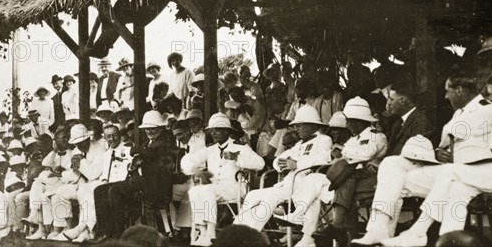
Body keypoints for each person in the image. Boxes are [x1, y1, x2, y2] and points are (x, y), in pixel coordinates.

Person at [380, 71, 492, 246]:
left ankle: (418, 232)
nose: (491, 100)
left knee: (450, 171)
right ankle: (448, 240)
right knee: (457, 188)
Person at [352, 72, 492, 245]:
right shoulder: (459, 113)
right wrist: (436, 152)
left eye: (448, 91)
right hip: (446, 171)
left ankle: (412, 235)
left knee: (400, 180)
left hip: (467, 173)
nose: (445, 96)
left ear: (459, 90)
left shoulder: (487, 109)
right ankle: (378, 230)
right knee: (392, 164)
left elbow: (481, 147)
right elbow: (447, 144)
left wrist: (449, 156)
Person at [235, 105, 332, 247]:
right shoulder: (298, 144)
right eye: (296, 126)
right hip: (287, 184)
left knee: (269, 199)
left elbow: (323, 159)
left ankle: (247, 240)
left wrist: (297, 164)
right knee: (253, 196)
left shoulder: (323, 140)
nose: (297, 129)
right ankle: (235, 233)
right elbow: (278, 160)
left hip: (304, 185)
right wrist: (280, 164)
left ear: (311, 126)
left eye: (300, 126)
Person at [181, 113, 264, 246]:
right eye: (212, 130)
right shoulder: (210, 148)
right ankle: (202, 230)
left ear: (227, 131)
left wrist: (237, 158)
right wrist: (196, 170)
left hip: (235, 188)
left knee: (207, 189)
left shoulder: (240, 146)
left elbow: (260, 164)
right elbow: (186, 161)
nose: (213, 133)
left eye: (218, 129)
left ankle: (211, 231)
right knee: (194, 191)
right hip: (216, 189)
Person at [108, 111, 177, 238]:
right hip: (144, 183)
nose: (149, 131)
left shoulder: (166, 141)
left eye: (152, 128)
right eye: (146, 129)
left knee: (116, 191)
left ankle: (121, 233)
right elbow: (144, 156)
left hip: (158, 185)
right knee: (112, 190)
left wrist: (133, 150)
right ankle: (116, 231)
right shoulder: (148, 142)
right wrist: (134, 164)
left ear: (160, 128)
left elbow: (151, 154)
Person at [327, 97, 387, 240]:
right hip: (355, 180)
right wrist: (338, 155)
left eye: (349, 121)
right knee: (348, 188)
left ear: (358, 121)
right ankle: (346, 234)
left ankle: (338, 227)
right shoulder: (353, 140)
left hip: (375, 179)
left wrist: (344, 151)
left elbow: (367, 154)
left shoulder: (376, 136)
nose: (347, 125)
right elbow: (344, 159)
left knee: (347, 183)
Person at [50, 124, 106, 242]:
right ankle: (67, 227)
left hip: (98, 184)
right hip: (82, 184)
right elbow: (72, 173)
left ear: (87, 139)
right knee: (59, 192)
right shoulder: (77, 150)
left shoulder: (99, 149)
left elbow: (93, 174)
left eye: (81, 142)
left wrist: (82, 160)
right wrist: (67, 173)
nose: (79, 146)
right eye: (76, 143)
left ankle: (85, 230)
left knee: (84, 191)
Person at [24, 128, 73, 240]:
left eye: (66, 137)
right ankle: (39, 224)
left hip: (66, 182)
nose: (65, 140)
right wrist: (55, 150)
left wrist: (62, 170)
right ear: (55, 141)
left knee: (45, 189)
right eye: (62, 138)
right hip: (55, 183)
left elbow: (73, 172)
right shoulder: (54, 154)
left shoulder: (72, 152)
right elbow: (45, 163)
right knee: (38, 186)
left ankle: (54, 228)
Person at [88, 125, 133, 243]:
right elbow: (104, 173)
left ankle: (118, 232)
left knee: (112, 191)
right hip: (112, 184)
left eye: (115, 135)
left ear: (119, 136)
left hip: (125, 184)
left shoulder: (128, 149)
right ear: (105, 138)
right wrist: (103, 181)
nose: (112, 139)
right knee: (99, 190)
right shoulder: (106, 154)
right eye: (108, 136)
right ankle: (103, 232)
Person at [383, 78, 434, 157]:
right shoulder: (397, 124)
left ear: (402, 101)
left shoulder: (420, 123)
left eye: (391, 99)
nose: (388, 103)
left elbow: (413, 156)